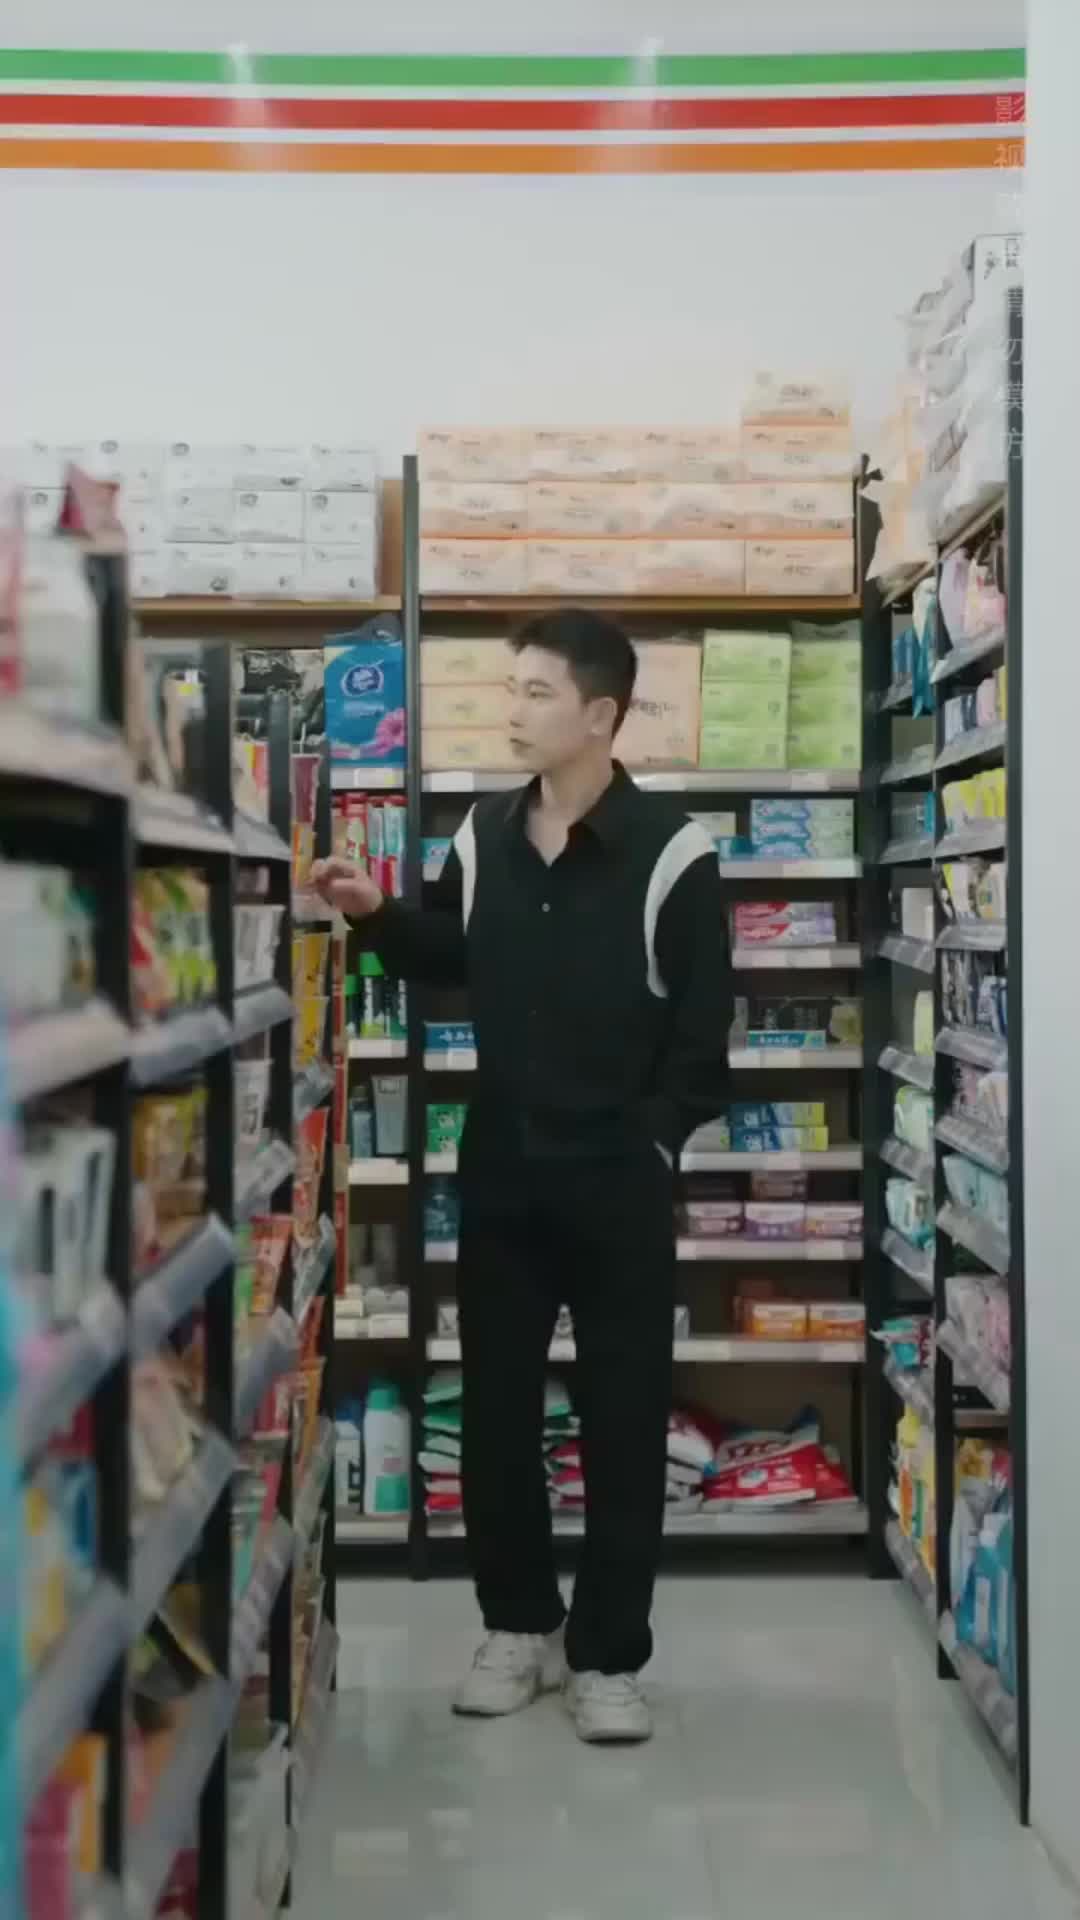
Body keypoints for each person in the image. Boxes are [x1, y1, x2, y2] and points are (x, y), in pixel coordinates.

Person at [312, 609, 729, 1744]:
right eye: (513, 689)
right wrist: (376, 916)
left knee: (623, 1419)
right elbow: (453, 954)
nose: (514, 710)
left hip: (617, 1182)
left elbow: (703, 1039)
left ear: (600, 714)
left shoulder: (675, 854)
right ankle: (515, 1626)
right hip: (500, 1171)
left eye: (537, 692)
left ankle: (608, 1656)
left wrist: (651, 1142)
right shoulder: (481, 835)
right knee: (497, 1411)